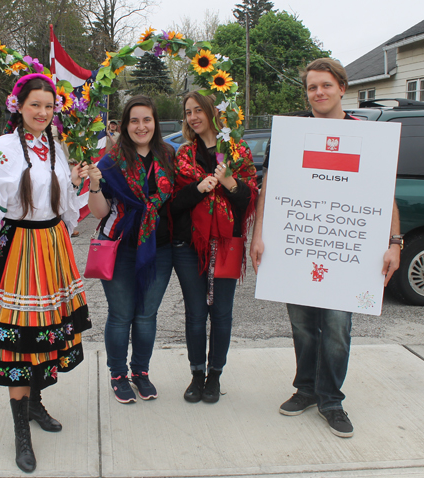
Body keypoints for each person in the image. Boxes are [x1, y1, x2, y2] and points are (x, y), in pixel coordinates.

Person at [250, 58, 401, 438]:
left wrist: (394, 242)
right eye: (312, 87)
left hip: (346, 250)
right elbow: (271, 187)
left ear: (342, 88)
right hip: (298, 247)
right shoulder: (290, 134)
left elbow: (385, 193)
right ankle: (305, 389)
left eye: (326, 86)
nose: (318, 93)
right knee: (302, 324)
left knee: (337, 326)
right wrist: (258, 233)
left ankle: (331, 399)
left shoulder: (367, 136)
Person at [0, 73, 92, 472]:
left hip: (52, 248)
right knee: (19, 341)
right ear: (19, 106)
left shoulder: (56, 145)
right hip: (20, 249)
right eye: (36, 104)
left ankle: (35, 403)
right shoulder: (2, 147)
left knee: (46, 335)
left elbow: (66, 206)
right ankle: (21, 433)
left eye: (49, 106)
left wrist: (76, 181)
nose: (43, 112)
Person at [170, 91, 259, 403]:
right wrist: (199, 188)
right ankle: (196, 375)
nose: (193, 117)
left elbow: (250, 198)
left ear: (211, 111)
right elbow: (174, 204)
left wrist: (229, 181)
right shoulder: (182, 155)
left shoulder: (236, 151)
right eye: (188, 112)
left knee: (221, 312)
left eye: (198, 110)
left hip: (226, 242)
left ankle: (215, 376)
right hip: (189, 245)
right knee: (196, 313)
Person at [87, 95, 174, 404]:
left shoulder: (168, 155)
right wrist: (95, 185)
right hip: (121, 248)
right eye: (134, 120)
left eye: (146, 120)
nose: (141, 126)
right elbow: (99, 212)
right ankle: (118, 373)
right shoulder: (110, 162)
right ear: (124, 125)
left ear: (155, 123)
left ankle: (141, 372)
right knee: (122, 315)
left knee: (147, 315)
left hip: (157, 251)